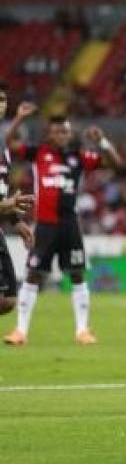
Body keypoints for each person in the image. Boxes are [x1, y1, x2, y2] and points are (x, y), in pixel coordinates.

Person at [3, 103, 122, 346]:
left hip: (70, 224)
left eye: (65, 131)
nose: (62, 135)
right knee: (33, 275)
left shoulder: (78, 157)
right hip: (45, 225)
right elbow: (9, 142)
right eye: (57, 131)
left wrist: (103, 142)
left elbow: (115, 164)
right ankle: (20, 331)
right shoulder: (38, 153)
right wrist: (19, 118)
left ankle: (82, 330)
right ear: (50, 134)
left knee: (77, 275)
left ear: (69, 134)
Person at [0, 86, 35, 317]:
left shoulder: (3, 145)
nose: (0, 104)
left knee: (8, 301)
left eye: (2, 99)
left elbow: (3, 191)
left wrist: (16, 221)